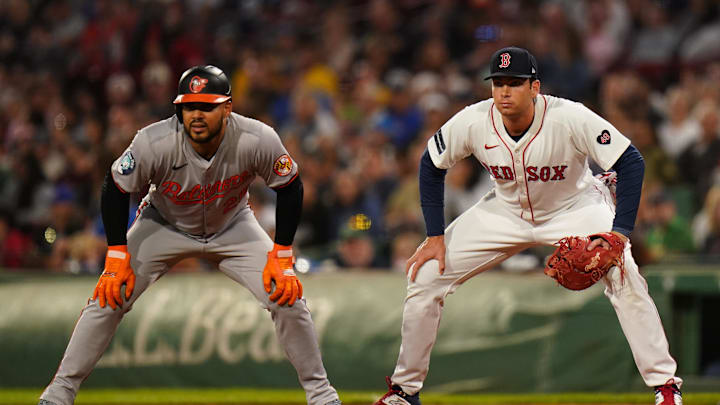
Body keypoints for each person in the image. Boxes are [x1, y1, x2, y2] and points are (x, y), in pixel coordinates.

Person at [373, 47, 682, 405]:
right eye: (498, 83)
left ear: (535, 87)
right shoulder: (474, 120)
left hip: (575, 208)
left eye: (514, 83)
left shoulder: (570, 117)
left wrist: (620, 233)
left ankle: (665, 386)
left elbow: (631, 161)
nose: (504, 91)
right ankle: (404, 392)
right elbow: (431, 163)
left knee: (622, 268)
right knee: (425, 276)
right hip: (504, 212)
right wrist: (434, 235)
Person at [38, 65, 341, 405]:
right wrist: (117, 254)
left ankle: (322, 396)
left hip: (233, 225)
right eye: (188, 106)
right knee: (109, 295)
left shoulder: (257, 138)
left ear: (227, 107)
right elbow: (115, 187)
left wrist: (282, 254)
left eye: (207, 106)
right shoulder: (154, 141)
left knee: (286, 295)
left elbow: (290, 186)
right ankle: (59, 392)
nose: (196, 115)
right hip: (163, 223)